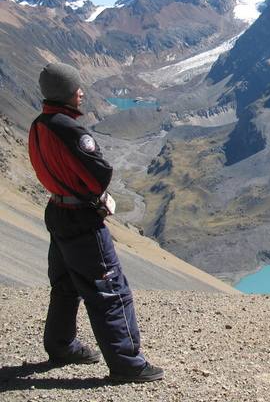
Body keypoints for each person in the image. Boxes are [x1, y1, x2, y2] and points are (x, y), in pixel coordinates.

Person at [28, 62, 164, 383]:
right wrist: (95, 197)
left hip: (57, 211)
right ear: (64, 94)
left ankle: (61, 345)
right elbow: (98, 174)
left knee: (65, 283)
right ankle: (127, 364)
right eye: (77, 89)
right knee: (110, 289)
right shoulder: (70, 129)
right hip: (80, 218)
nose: (82, 93)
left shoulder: (39, 124)